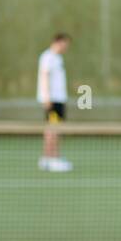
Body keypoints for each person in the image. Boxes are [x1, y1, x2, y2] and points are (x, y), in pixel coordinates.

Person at [37, 33, 71, 172]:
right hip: (53, 101)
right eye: (65, 44)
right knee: (53, 130)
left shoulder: (58, 58)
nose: (66, 47)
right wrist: (46, 97)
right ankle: (52, 159)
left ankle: (48, 158)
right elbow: (44, 75)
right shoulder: (48, 57)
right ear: (58, 42)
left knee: (54, 129)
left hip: (59, 100)